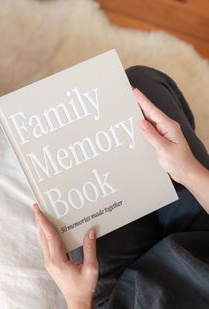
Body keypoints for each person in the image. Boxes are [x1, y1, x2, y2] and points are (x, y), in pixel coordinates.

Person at [33, 66, 209, 309]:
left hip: (120, 294)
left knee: (80, 141)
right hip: (202, 242)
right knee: (135, 87)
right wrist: (189, 170)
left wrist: (78, 299)